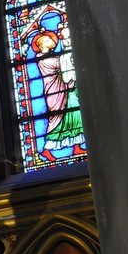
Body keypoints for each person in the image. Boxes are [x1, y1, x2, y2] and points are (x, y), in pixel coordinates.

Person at [30, 29, 85, 161]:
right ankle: (46, 150)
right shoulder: (43, 59)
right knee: (56, 121)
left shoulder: (52, 55)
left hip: (66, 90)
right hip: (55, 93)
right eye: (48, 39)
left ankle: (76, 146)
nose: (53, 40)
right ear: (42, 45)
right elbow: (58, 63)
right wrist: (67, 46)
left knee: (74, 117)